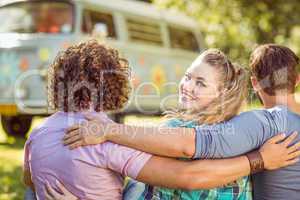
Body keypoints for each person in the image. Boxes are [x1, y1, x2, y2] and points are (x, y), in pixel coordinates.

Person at [45, 47, 300, 199]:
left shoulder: (186, 135)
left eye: (200, 83)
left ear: (222, 93)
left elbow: (187, 168)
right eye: (188, 77)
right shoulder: (242, 134)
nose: (187, 87)